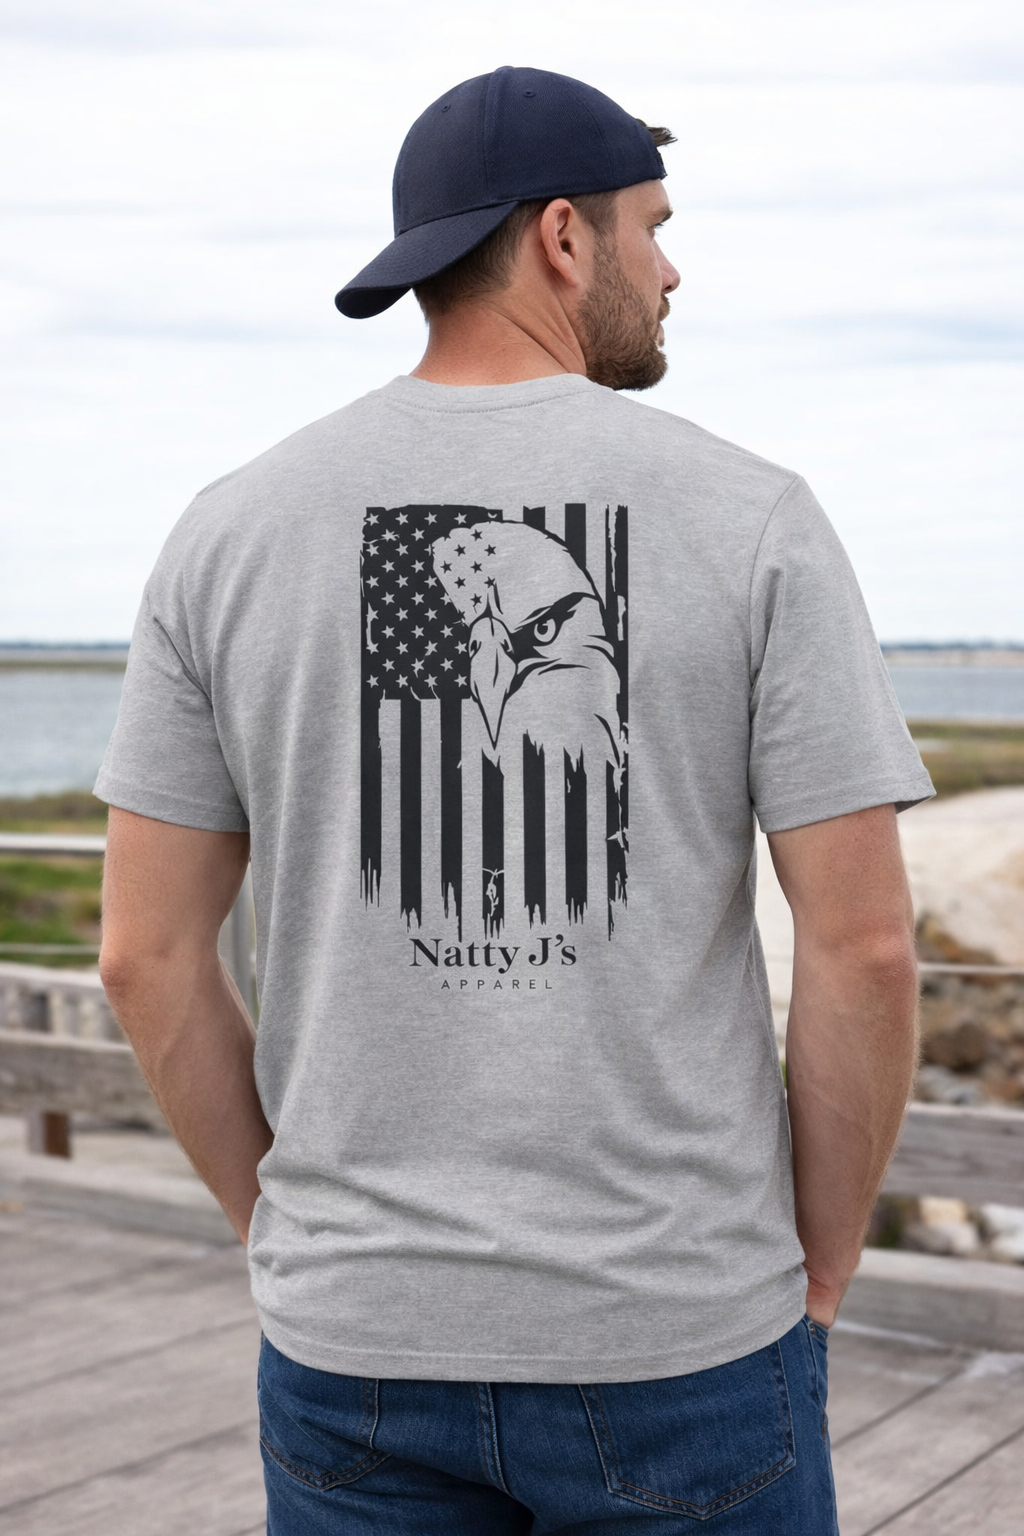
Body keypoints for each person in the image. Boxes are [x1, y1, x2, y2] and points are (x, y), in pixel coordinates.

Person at [97, 65, 932, 1534]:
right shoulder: (752, 518)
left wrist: (295, 1237)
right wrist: (819, 1265)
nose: (669, 273)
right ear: (561, 236)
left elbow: (143, 955)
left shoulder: (227, 532)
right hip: (678, 1334)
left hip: (353, 1341)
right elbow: (862, 949)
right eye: (652, 228)